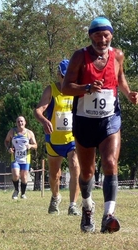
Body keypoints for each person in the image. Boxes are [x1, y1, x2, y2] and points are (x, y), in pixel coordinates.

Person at [62, 16, 138, 233]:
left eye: (106, 35)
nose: (102, 40)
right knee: (86, 172)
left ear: (111, 36)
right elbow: (66, 88)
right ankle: (87, 209)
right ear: (90, 36)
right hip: (85, 120)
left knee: (110, 162)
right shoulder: (80, 56)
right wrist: (86, 88)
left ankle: (109, 215)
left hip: (109, 119)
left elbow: (120, 78)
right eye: (97, 36)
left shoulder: (118, 55)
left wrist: (129, 93)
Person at [34, 59, 81, 216]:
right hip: (54, 140)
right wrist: (44, 120)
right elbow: (38, 110)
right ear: (59, 75)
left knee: (75, 166)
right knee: (55, 174)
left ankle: (73, 205)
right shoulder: (51, 90)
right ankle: (55, 197)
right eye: (63, 76)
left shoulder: (76, 90)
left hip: (72, 138)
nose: (66, 79)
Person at [4, 116, 37, 200]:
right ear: (16, 123)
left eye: (21, 121)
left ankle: (23, 193)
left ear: (25, 122)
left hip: (25, 158)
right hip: (15, 158)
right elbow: (6, 141)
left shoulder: (29, 133)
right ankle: (16, 190)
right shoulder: (12, 132)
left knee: (24, 177)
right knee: (15, 174)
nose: (20, 123)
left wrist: (30, 146)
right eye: (18, 122)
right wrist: (9, 148)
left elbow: (35, 145)